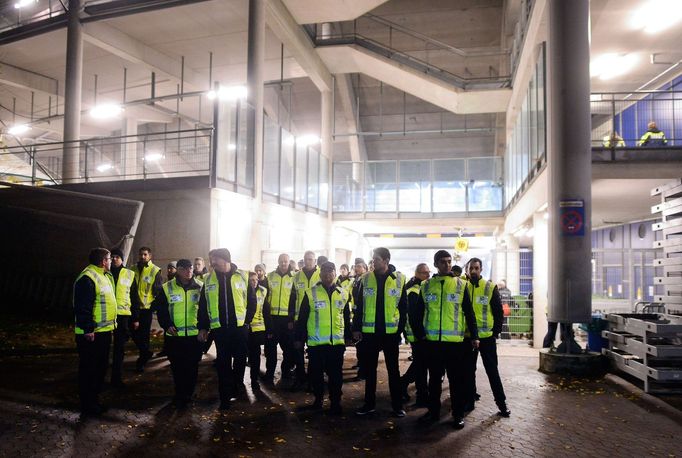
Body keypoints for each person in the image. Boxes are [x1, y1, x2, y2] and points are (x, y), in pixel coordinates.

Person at [411, 250, 479, 429]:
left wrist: (474, 335)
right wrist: (421, 336)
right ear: (436, 264)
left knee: (456, 382)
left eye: (449, 262)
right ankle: (433, 413)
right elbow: (416, 314)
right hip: (432, 343)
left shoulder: (460, 285)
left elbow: (469, 313)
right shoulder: (426, 286)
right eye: (443, 262)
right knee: (434, 381)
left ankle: (457, 415)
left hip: (455, 344)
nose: (447, 265)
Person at [197, 248, 256, 410]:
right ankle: (225, 396)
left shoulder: (243, 276)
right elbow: (203, 306)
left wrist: (246, 321)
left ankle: (237, 385)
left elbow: (252, 301)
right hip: (220, 330)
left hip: (239, 329)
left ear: (225, 259)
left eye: (215, 259)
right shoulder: (208, 280)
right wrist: (203, 327)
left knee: (239, 360)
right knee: (223, 363)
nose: (212, 263)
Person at [352, 247, 407, 418]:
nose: (373, 262)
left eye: (376, 259)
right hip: (370, 333)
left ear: (386, 260)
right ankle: (369, 404)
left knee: (393, 371)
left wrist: (400, 331)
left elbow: (404, 308)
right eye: (373, 259)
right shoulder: (365, 279)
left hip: (390, 333)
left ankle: (397, 406)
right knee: (370, 370)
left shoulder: (399, 279)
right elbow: (358, 305)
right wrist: (356, 328)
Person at [294, 262, 351, 414]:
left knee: (336, 375)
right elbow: (302, 319)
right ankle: (318, 399)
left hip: (336, 343)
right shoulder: (310, 293)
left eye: (330, 272)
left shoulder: (343, 293)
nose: (327, 275)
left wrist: (348, 336)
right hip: (316, 344)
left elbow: (346, 316)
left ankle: (335, 402)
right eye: (324, 272)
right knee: (316, 375)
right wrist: (299, 339)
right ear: (320, 275)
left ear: (335, 273)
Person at [73, 248, 117, 418]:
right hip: (91, 334)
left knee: (99, 368)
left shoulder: (104, 276)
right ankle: (88, 405)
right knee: (89, 370)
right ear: (102, 261)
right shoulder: (88, 277)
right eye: (109, 259)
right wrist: (88, 329)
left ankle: (94, 401)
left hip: (103, 332)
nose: (111, 261)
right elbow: (83, 306)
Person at [464, 257, 510, 417]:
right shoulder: (463, 287)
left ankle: (502, 404)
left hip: (487, 338)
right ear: (467, 270)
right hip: (468, 337)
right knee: (468, 372)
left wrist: (495, 332)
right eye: (471, 268)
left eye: (476, 268)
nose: (474, 271)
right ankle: (469, 402)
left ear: (481, 269)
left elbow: (498, 312)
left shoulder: (490, 287)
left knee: (492, 371)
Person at [154, 259, 203, 408]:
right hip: (175, 336)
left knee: (192, 367)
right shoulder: (167, 287)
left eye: (191, 268)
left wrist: (204, 328)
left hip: (194, 336)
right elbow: (161, 309)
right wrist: (167, 325)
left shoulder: (201, 287)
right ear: (178, 270)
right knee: (177, 367)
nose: (189, 271)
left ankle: (189, 393)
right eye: (185, 268)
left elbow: (205, 310)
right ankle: (179, 393)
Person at [400, 262, 431, 408]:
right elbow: (413, 316)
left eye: (428, 272)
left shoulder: (421, 287)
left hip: (420, 333)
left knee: (421, 363)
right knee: (421, 364)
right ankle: (411, 389)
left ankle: (418, 393)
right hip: (417, 334)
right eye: (425, 273)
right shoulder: (414, 290)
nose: (428, 275)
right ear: (417, 273)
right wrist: (420, 334)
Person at [289, 251, 321, 391]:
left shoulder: (321, 274)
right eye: (306, 259)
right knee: (298, 349)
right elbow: (292, 299)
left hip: (315, 319)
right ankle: (300, 377)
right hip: (299, 320)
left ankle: (313, 380)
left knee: (314, 350)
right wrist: (290, 318)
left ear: (315, 261)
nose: (309, 262)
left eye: (311, 259)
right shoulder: (296, 276)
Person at [109, 248, 140, 388]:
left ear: (122, 259)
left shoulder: (129, 274)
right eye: (113, 256)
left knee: (119, 349)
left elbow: (134, 297)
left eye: (117, 256)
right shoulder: (105, 272)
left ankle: (116, 378)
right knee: (103, 349)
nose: (115, 259)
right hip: (106, 316)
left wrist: (135, 318)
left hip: (122, 317)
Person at [264, 254, 296, 383]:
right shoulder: (270, 276)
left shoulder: (294, 277)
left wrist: (291, 319)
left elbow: (295, 299)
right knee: (270, 349)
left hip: (286, 321)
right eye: (281, 261)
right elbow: (265, 298)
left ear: (289, 262)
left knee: (288, 348)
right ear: (278, 262)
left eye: (286, 261)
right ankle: (269, 373)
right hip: (272, 319)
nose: (284, 263)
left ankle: (286, 372)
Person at [132, 246, 163, 372]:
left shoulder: (155, 270)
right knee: (132, 332)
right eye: (141, 254)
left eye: (145, 254)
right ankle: (146, 352)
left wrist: (153, 306)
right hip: (133, 307)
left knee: (144, 335)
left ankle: (141, 361)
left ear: (150, 256)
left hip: (146, 309)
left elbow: (158, 291)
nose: (142, 257)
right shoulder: (132, 269)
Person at [248, 271, 272, 390]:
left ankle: (254, 379)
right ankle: (238, 380)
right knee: (242, 355)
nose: (254, 282)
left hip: (258, 328)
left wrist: (269, 329)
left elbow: (266, 310)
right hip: (245, 328)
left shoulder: (263, 291)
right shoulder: (242, 291)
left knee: (255, 355)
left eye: (256, 280)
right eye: (251, 280)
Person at [351, 258, 368, 380]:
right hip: (356, 313)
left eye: (359, 266)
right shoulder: (356, 280)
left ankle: (363, 370)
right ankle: (360, 364)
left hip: (364, 316)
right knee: (359, 344)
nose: (357, 268)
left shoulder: (366, 280)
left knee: (363, 346)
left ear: (365, 268)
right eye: (356, 266)